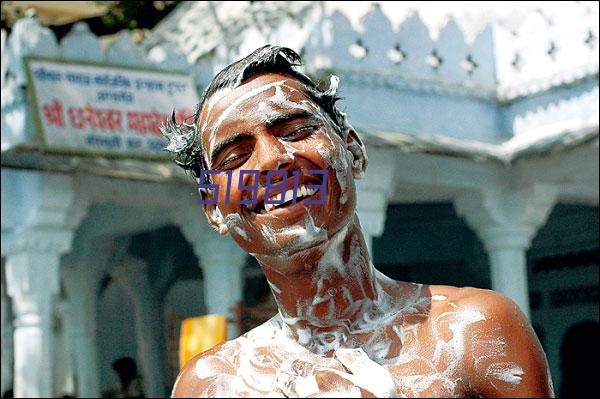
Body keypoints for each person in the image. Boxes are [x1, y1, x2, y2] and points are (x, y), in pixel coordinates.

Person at [162, 45, 554, 398]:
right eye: (234, 158)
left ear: (353, 151)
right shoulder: (213, 386)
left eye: (297, 131)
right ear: (214, 208)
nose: (271, 160)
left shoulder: (474, 333)